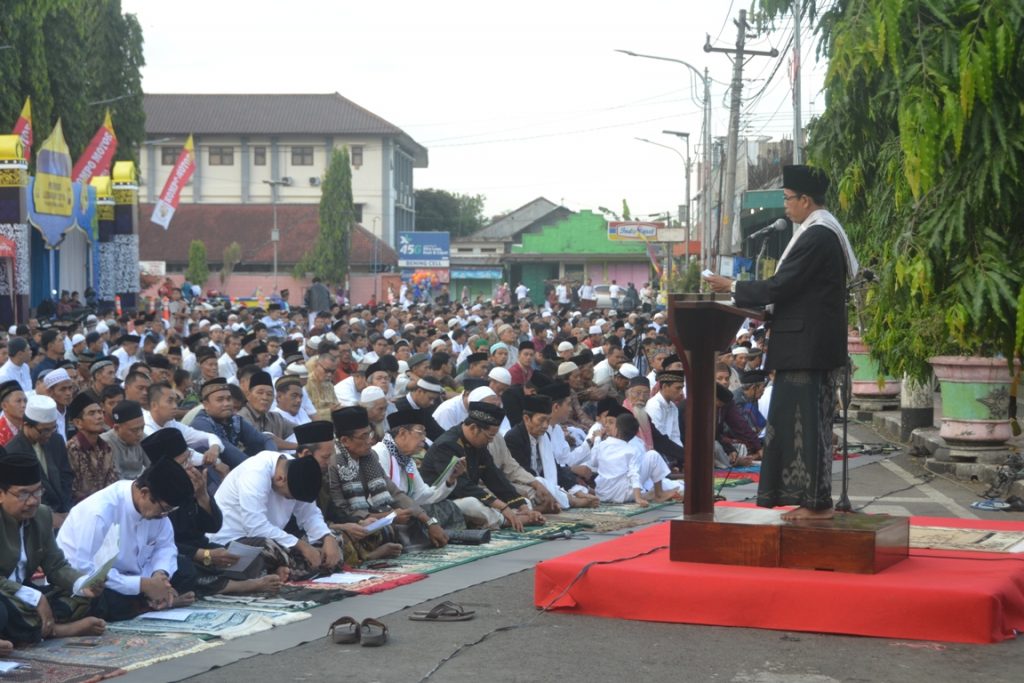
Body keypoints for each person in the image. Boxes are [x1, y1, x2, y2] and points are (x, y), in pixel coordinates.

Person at [705, 164, 858, 520]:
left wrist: (733, 287)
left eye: (789, 199)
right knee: (799, 427)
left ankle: (814, 504)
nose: (786, 207)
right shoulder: (817, 231)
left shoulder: (818, 234)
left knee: (805, 429)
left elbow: (782, 286)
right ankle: (810, 500)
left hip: (807, 347)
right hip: (805, 345)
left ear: (806, 200)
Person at [56, 456, 198, 620]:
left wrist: (160, 575)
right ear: (144, 493)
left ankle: (155, 599)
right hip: (95, 581)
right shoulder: (100, 511)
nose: (164, 516)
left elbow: (165, 546)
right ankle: (157, 602)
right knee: (107, 601)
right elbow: (86, 569)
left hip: (138, 575)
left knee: (187, 569)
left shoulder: (157, 512)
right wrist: (143, 585)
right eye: (164, 509)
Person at [0, 453, 107, 651]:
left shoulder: (41, 515)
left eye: (37, 492)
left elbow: (56, 565)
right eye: (23, 494)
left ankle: (38, 629)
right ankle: (57, 630)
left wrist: (83, 583)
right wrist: (36, 598)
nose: (32, 501)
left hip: (23, 593)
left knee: (83, 595)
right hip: (5, 594)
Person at [327, 407, 449, 564]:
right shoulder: (333, 463)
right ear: (345, 441)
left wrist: (429, 521)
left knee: (414, 518)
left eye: (370, 434)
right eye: (364, 436)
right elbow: (341, 509)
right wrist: (387, 517)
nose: (370, 440)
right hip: (347, 521)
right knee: (354, 535)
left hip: (370, 517)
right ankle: (369, 554)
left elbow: (395, 493)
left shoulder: (369, 457)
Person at [209, 448, 342, 581]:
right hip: (234, 542)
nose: (289, 501)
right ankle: (283, 570)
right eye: (288, 497)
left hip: (277, 539)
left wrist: (327, 537)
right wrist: (303, 547)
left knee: (335, 538)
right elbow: (256, 528)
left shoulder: (299, 470)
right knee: (266, 547)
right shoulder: (254, 473)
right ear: (279, 479)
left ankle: (283, 570)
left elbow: (310, 514)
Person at [419, 402, 543, 531]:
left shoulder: (478, 444)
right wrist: (503, 507)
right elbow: (463, 487)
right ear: (474, 428)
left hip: (469, 494)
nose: (490, 441)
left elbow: (494, 477)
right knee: (473, 505)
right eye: (489, 436)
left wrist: (522, 506)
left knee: (524, 501)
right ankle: (505, 521)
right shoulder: (447, 445)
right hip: (444, 500)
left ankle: (517, 515)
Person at [5, 395, 74, 525]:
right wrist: (49, 516)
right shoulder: (12, 452)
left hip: (65, 513)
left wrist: (67, 511)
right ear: (26, 425)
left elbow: (66, 477)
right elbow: (21, 495)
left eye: (52, 429)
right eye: (44, 431)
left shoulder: (56, 440)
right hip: (35, 518)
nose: (49, 434)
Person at [190, 379, 274, 468]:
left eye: (229, 399)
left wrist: (271, 459)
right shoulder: (201, 423)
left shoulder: (235, 419)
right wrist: (259, 468)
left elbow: (265, 440)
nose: (227, 404)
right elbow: (229, 452)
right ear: (206, 405)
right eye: (220, 400)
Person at [65, 392, 118, 503]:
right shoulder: (71, 449)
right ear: (78, 423)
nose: (99, 417)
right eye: (92, 413)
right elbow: (72, 490)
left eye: (100, 412)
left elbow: (113, 482)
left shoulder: (106, 447)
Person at [101, 400, 150, 480]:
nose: (139, 433)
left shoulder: (143, 438)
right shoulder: (105, 443)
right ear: (117, 428)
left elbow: (153, 467)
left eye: (142, 427)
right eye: (134, 430)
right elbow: (114, 478)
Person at [0, 381, 26, 447]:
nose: (23, 405)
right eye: (18, 401)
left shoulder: (30, 426)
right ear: (4, 406)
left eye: (25, 401)